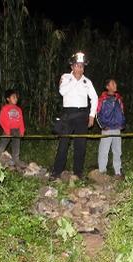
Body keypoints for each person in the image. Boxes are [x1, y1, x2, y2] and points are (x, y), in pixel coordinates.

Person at [51, 51, 98, 180]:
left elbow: (94, 98)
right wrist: (75, 79)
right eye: (77, 65)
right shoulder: (65, 77)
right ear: (72, 66)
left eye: (82, 66)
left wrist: (92, 115)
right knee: (63, 144)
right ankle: (56, 172)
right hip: (68, 114)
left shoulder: (87, 82)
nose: (79, 68)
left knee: (81, 145)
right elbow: (62, 91)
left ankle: (78, 173)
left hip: (83, 115)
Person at [96, 78, 125, 178]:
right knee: (104, 151)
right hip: (107, 129)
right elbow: (97, 114)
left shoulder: (119, 98)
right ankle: (102, 172)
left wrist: (122, 123)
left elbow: (121, 112)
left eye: (115, 83)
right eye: (112, 84)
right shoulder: (102, 99)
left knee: (118, 151)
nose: (115, 85)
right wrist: (103, 126)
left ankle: (118, 172)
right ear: (107, 87)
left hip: (117, 129)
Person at [0, 88, 27, 168]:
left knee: (16, 145)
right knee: (2, 145)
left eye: (16, 97)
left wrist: (22, 131)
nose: (16, 99)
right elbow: (1, 120)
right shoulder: (5, 108)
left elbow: (21, 121)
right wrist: (7, 130)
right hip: (7, 130)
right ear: (8, 99)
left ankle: (16, 160)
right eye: (13, 97)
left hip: (16, 130)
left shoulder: (19, 109)